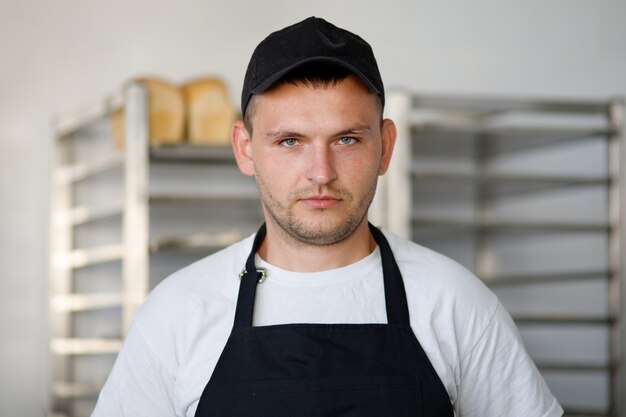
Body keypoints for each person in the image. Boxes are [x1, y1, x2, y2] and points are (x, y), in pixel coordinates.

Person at [92, 17, 563, 417]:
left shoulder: (455, 304)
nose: (321, 173)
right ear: (245, 149)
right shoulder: (177, 312)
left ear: (386, 146)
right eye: (290, 141)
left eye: (347, 139)